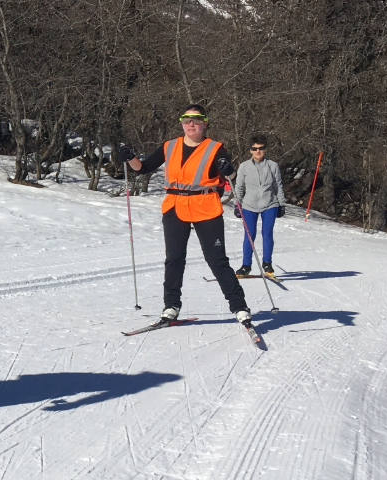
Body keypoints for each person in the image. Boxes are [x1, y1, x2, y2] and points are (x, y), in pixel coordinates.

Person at [119, 104, 253, 326]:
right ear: (181, 122)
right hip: (175, 205)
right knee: (174, 258)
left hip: (205, 205)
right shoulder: (169, 146)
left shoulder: (215, 148)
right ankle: (171, 306)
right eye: (187, 119)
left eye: (197, 119)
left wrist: (226, 167)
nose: (191, 124)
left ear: (205, 123)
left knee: (216, 259)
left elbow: (231, 173)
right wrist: (130, 157)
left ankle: (239, 307)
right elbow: (142, 168)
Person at [232, 135, 285, 277]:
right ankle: (246, 265)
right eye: (254, 148)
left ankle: (267, 263)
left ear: (265, 149)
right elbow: (239, 187)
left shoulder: (272, 165)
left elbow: (278, 186)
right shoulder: (244, 166)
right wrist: (237, 205)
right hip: (249, 205)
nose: (258, 151)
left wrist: (281, 204)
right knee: (249, 235)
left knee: (267, 233)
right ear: (250, 150)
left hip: (269, 204)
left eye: (261, 148)